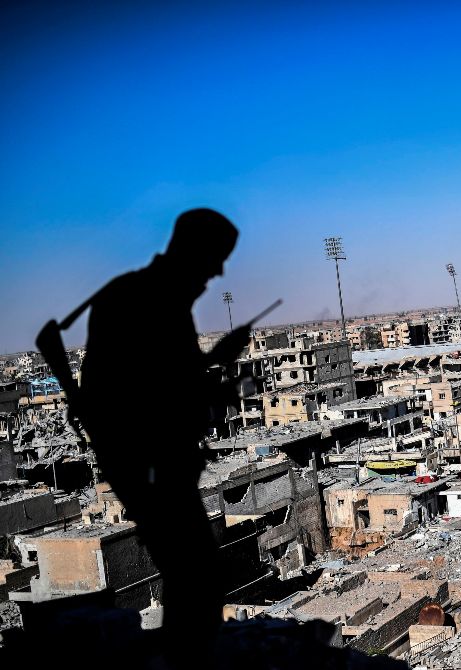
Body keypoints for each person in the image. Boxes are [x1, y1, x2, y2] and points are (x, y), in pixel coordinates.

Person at [77, 208, 251, 659]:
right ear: (192, 253)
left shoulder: (141, 298)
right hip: (149, 466)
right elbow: (147, 392)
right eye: (214, 259)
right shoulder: (153, 304)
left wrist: (214, 362)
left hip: (149, 463)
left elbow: (171, 381)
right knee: (195, 575)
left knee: (190, 574)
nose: (218, 272)